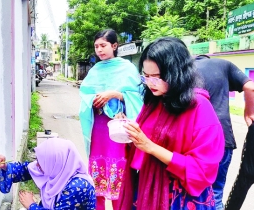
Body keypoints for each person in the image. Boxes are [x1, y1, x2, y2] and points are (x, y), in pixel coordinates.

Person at [117, 37, 225, 209]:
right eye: (146, 76)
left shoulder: (199, 106)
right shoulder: (153, 101)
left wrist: (151, 147)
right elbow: (142, 145)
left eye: (157, 77)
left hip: (178, 198)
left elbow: (202, 168)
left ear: (177, 73)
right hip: (147, 186)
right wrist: (129, 131)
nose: (150, 83)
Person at [79, 29, 143, 210]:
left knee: (119, 172)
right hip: (98, 127)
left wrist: (116, 94)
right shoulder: (95, 70)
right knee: (97, 172)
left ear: (114, 46)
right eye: (96, 46)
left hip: (118, 128)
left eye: (103, 45)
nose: (99, 50)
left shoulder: (128, 68)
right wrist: (94, 100)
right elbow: (84, 95)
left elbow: (138, 96)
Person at [194, 55, 254, 210]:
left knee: (192, 196)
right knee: (216, 194)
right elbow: (250, 86)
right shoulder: (223, 64)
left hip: (195, 142)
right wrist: (250, 113)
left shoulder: (184, 69)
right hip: (222, 139)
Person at [0, 138, 96, 210]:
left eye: (41, 162)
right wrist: (4, 166)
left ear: (55, 162)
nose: (37, 165)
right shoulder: (56, 169)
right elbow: (24, 169)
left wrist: (31, 205)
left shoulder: (78, 186)